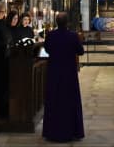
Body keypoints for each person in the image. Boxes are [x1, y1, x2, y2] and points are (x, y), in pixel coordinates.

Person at [42, 12, 85, 142]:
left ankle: (52, 132)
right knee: (69, 100)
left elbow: (47, 49)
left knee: (54, 100)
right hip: (69, 74)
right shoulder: (72, 36)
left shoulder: (50, 35)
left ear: (56, 22)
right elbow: (81, 51)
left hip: (54, 72)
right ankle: (71, 131)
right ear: (67, 23)